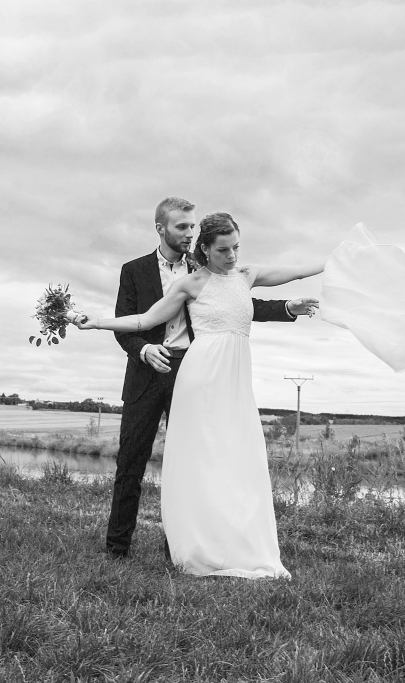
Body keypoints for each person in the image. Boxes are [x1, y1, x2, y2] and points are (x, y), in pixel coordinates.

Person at [73, 211, 323, 578]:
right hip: (200, 374)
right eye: (223, 250)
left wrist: (339, 262)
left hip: (235, 378)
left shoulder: (246, 275)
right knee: (195, 458)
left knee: (237, 456)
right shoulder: (189, 284)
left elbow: (296, 273)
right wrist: (97, 322)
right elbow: (145, 319)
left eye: (236, 247)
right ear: (205, 249)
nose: (232, 256)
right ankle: (174, 544)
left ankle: (229, 541)